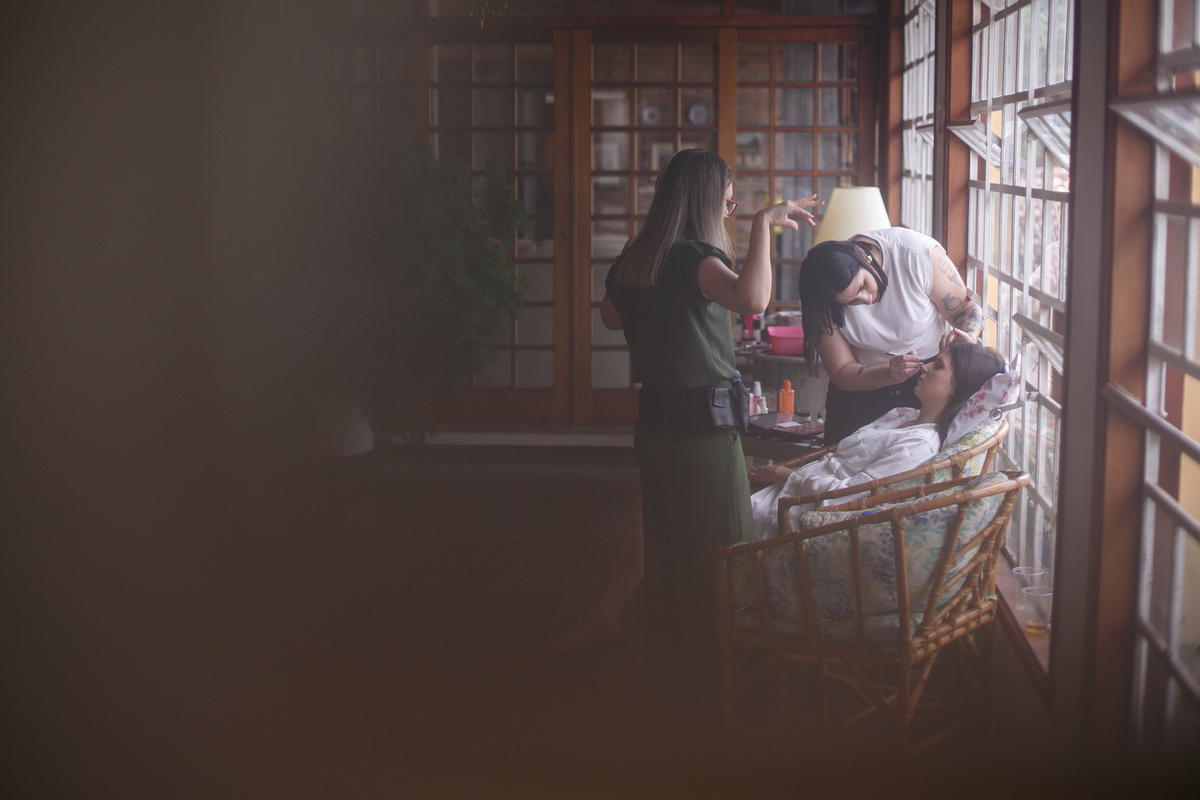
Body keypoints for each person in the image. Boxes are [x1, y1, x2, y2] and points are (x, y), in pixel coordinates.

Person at [553, 341, 1007, 653]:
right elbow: (844, 465)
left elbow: (853, 499)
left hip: (793, 523)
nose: (924, 366)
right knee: (662, 494)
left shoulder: (919, 447)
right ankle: (625, 614)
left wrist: (787, 477)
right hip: (786, 494)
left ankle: (634, 622)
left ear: (958, 390)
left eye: (938, 366)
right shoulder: (903, 416)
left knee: (663, 501)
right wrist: (788, 476)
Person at [597, 148, 822, 699]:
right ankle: (718, 681)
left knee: (669, 559)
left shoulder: (636, 259)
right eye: (728, 197)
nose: (730, 206)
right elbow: (754, 299)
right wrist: (762, 223)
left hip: (654, 431)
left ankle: (669, 675)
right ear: (704, 199)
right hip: (703, 434)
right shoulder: (693, 257)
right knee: (723, 557)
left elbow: (610, 317)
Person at [798, 227, 985, 446]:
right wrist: (889, 373)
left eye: (863, 286)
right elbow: (841, 371)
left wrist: (967, 336)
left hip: (928, 384)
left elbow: (965, 309)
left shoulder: (915, 254)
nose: (866, 299)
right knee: (844, 461)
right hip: (860, 392)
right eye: (851, 302)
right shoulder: (822, 295)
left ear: (862, 256)